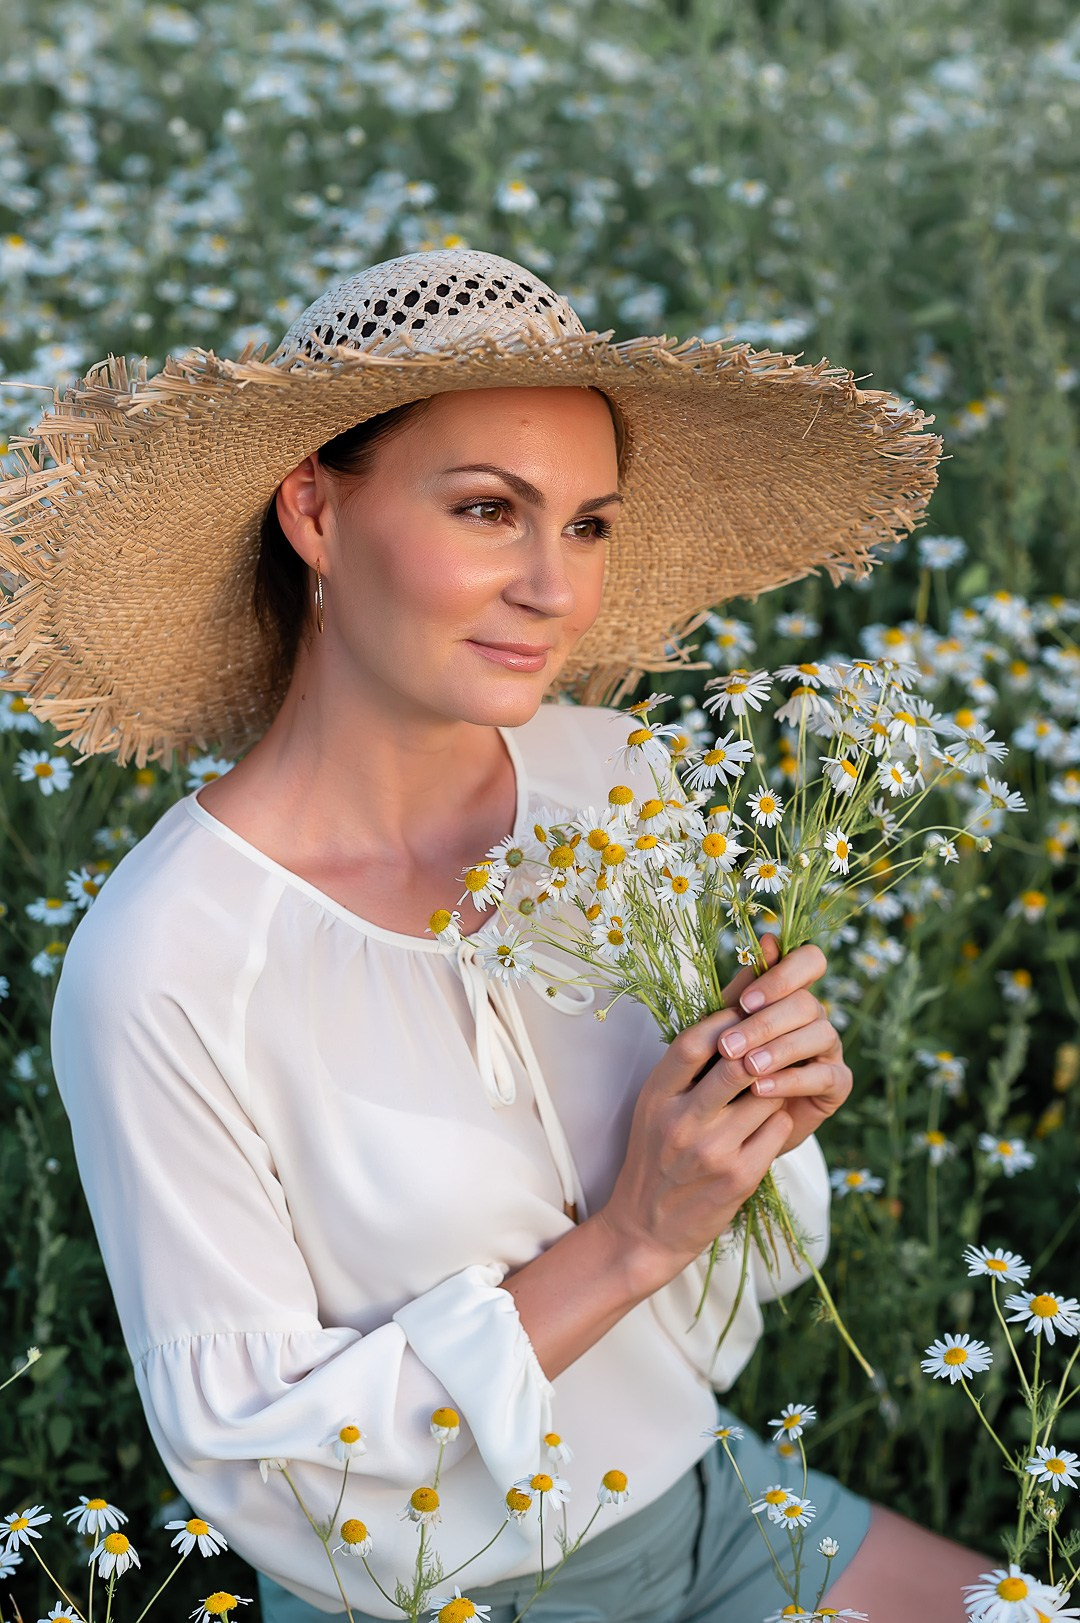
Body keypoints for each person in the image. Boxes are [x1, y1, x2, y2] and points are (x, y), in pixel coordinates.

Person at [1, 250, 986, 1621]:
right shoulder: (165, 966)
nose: (557, 590)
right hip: (448, 1599)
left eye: (586, 525)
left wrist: (760, 1119)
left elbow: (739, 1269)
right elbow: (260, 1464)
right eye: (487, 511)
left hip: (715, 1501)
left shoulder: (619, 784)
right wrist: (638, 1230)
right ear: (316, 515)